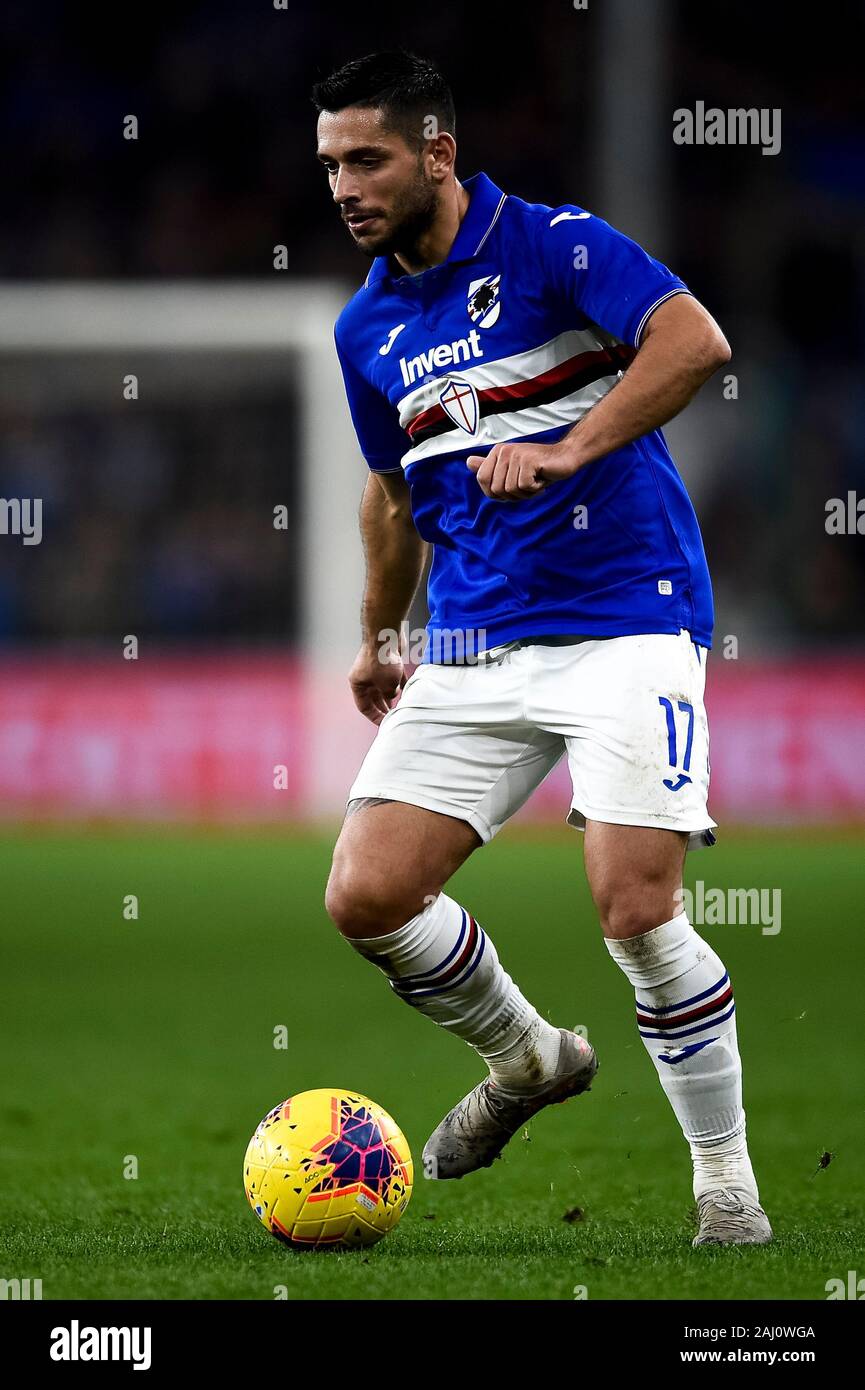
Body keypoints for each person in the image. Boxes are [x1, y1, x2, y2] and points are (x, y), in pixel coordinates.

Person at [313, 48, 771, 1246]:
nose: (345, 185)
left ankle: (725, 1183)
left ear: (436, 153)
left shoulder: (556, 246)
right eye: (329, 165)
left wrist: (573, 447)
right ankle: (527, 1058)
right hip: (472, 639)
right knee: (364, 894)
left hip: (628, 617)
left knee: (633, 911)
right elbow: (390, 491)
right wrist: (378, 636)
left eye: (367, 158)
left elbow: (693, 342)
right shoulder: (365, 326)